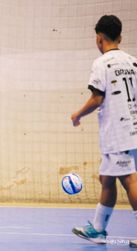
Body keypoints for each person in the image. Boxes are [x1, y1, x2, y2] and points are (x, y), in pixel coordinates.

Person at [70, 15, 137, 248]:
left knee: (129, 180)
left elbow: (97, 98)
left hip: (118, 132)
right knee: (106, 179)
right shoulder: (133, 61)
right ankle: (98, 230)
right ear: (120, 36)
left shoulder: (102, 63)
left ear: (99, 39)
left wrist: (77, 114)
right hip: (132, 128)